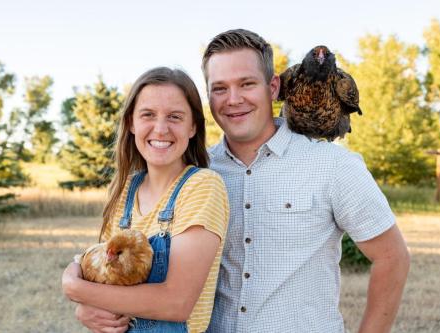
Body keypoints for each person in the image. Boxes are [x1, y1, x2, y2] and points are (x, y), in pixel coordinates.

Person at [202, 29, 410, 333]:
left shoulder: (333, 165)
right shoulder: (199, 171)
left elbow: (393, 258)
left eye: (246, 84)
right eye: (220, 88)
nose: (233, 100)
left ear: (273, 87)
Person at [61, 67, 229, 333]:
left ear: (193, 126)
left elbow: (177, 302)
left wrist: (75, 288)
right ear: (131, 123)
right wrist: (85, 305)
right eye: (148, 115)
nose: (160, 129)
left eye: (175, 117)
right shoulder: (125, 190)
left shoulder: (202, 186)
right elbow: (100, 272)